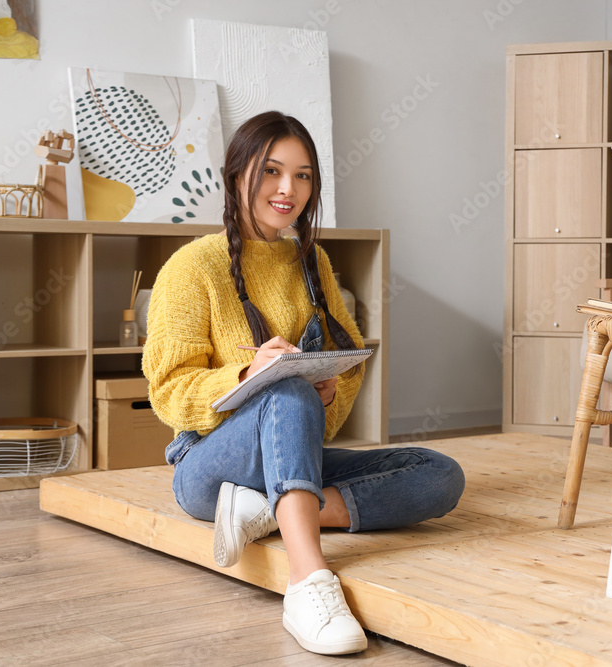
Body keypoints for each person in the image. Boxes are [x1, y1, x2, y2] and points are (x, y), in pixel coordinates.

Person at [143, 111, 465, 656]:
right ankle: (308, 583)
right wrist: (248, 375)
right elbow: (168, 390)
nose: (288, 189)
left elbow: (347, 362)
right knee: (286, 388)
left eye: (303, 175)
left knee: (439, 475)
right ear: (237, 174)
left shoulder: (311, 259)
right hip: (207, 468)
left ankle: (268, 512)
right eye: (271, 171)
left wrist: (328, 391)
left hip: (294, 460)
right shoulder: (192, 266)